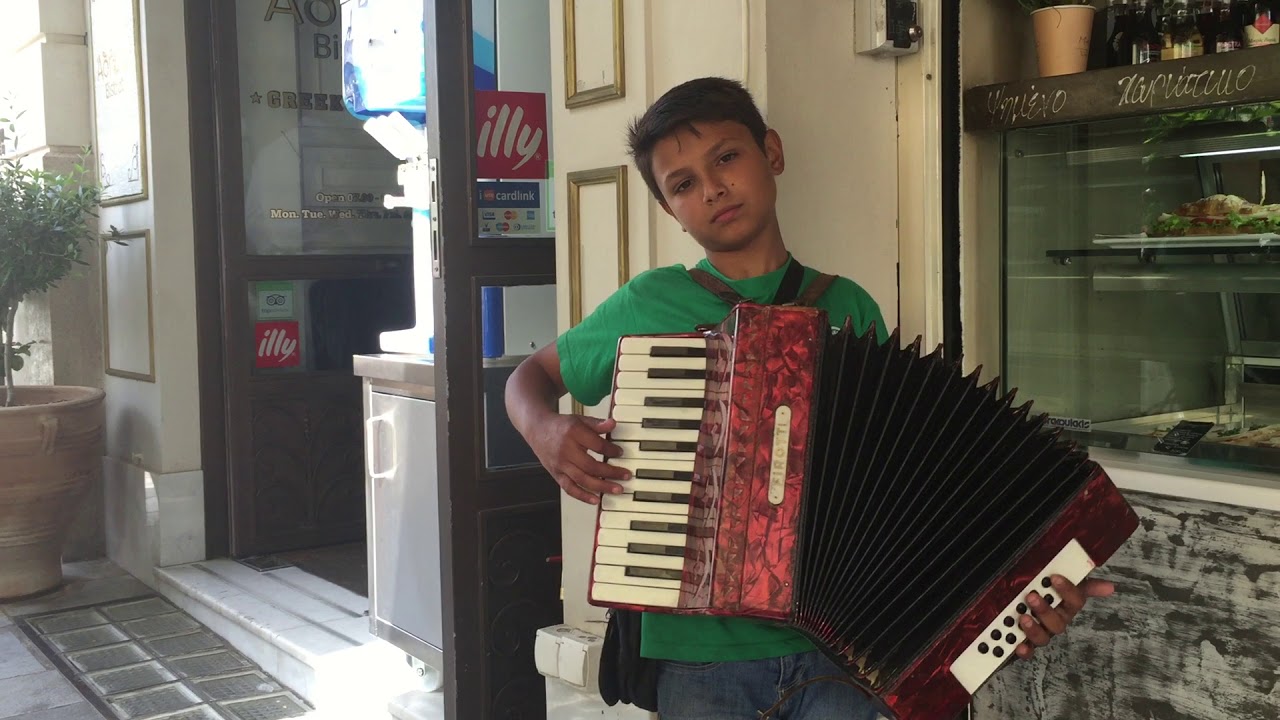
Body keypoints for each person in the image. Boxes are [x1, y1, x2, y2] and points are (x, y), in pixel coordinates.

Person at [505, 76, 1114, 720]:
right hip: (698, 656)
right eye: (682, 184)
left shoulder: (846, 307)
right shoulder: (648, 303)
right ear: (668, 208)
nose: (711, 188)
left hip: (843, 652)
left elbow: (917, 479)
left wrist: (1014, 599)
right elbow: (528, 381)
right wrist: (544, 430)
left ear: (772, 152)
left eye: (726, 158)